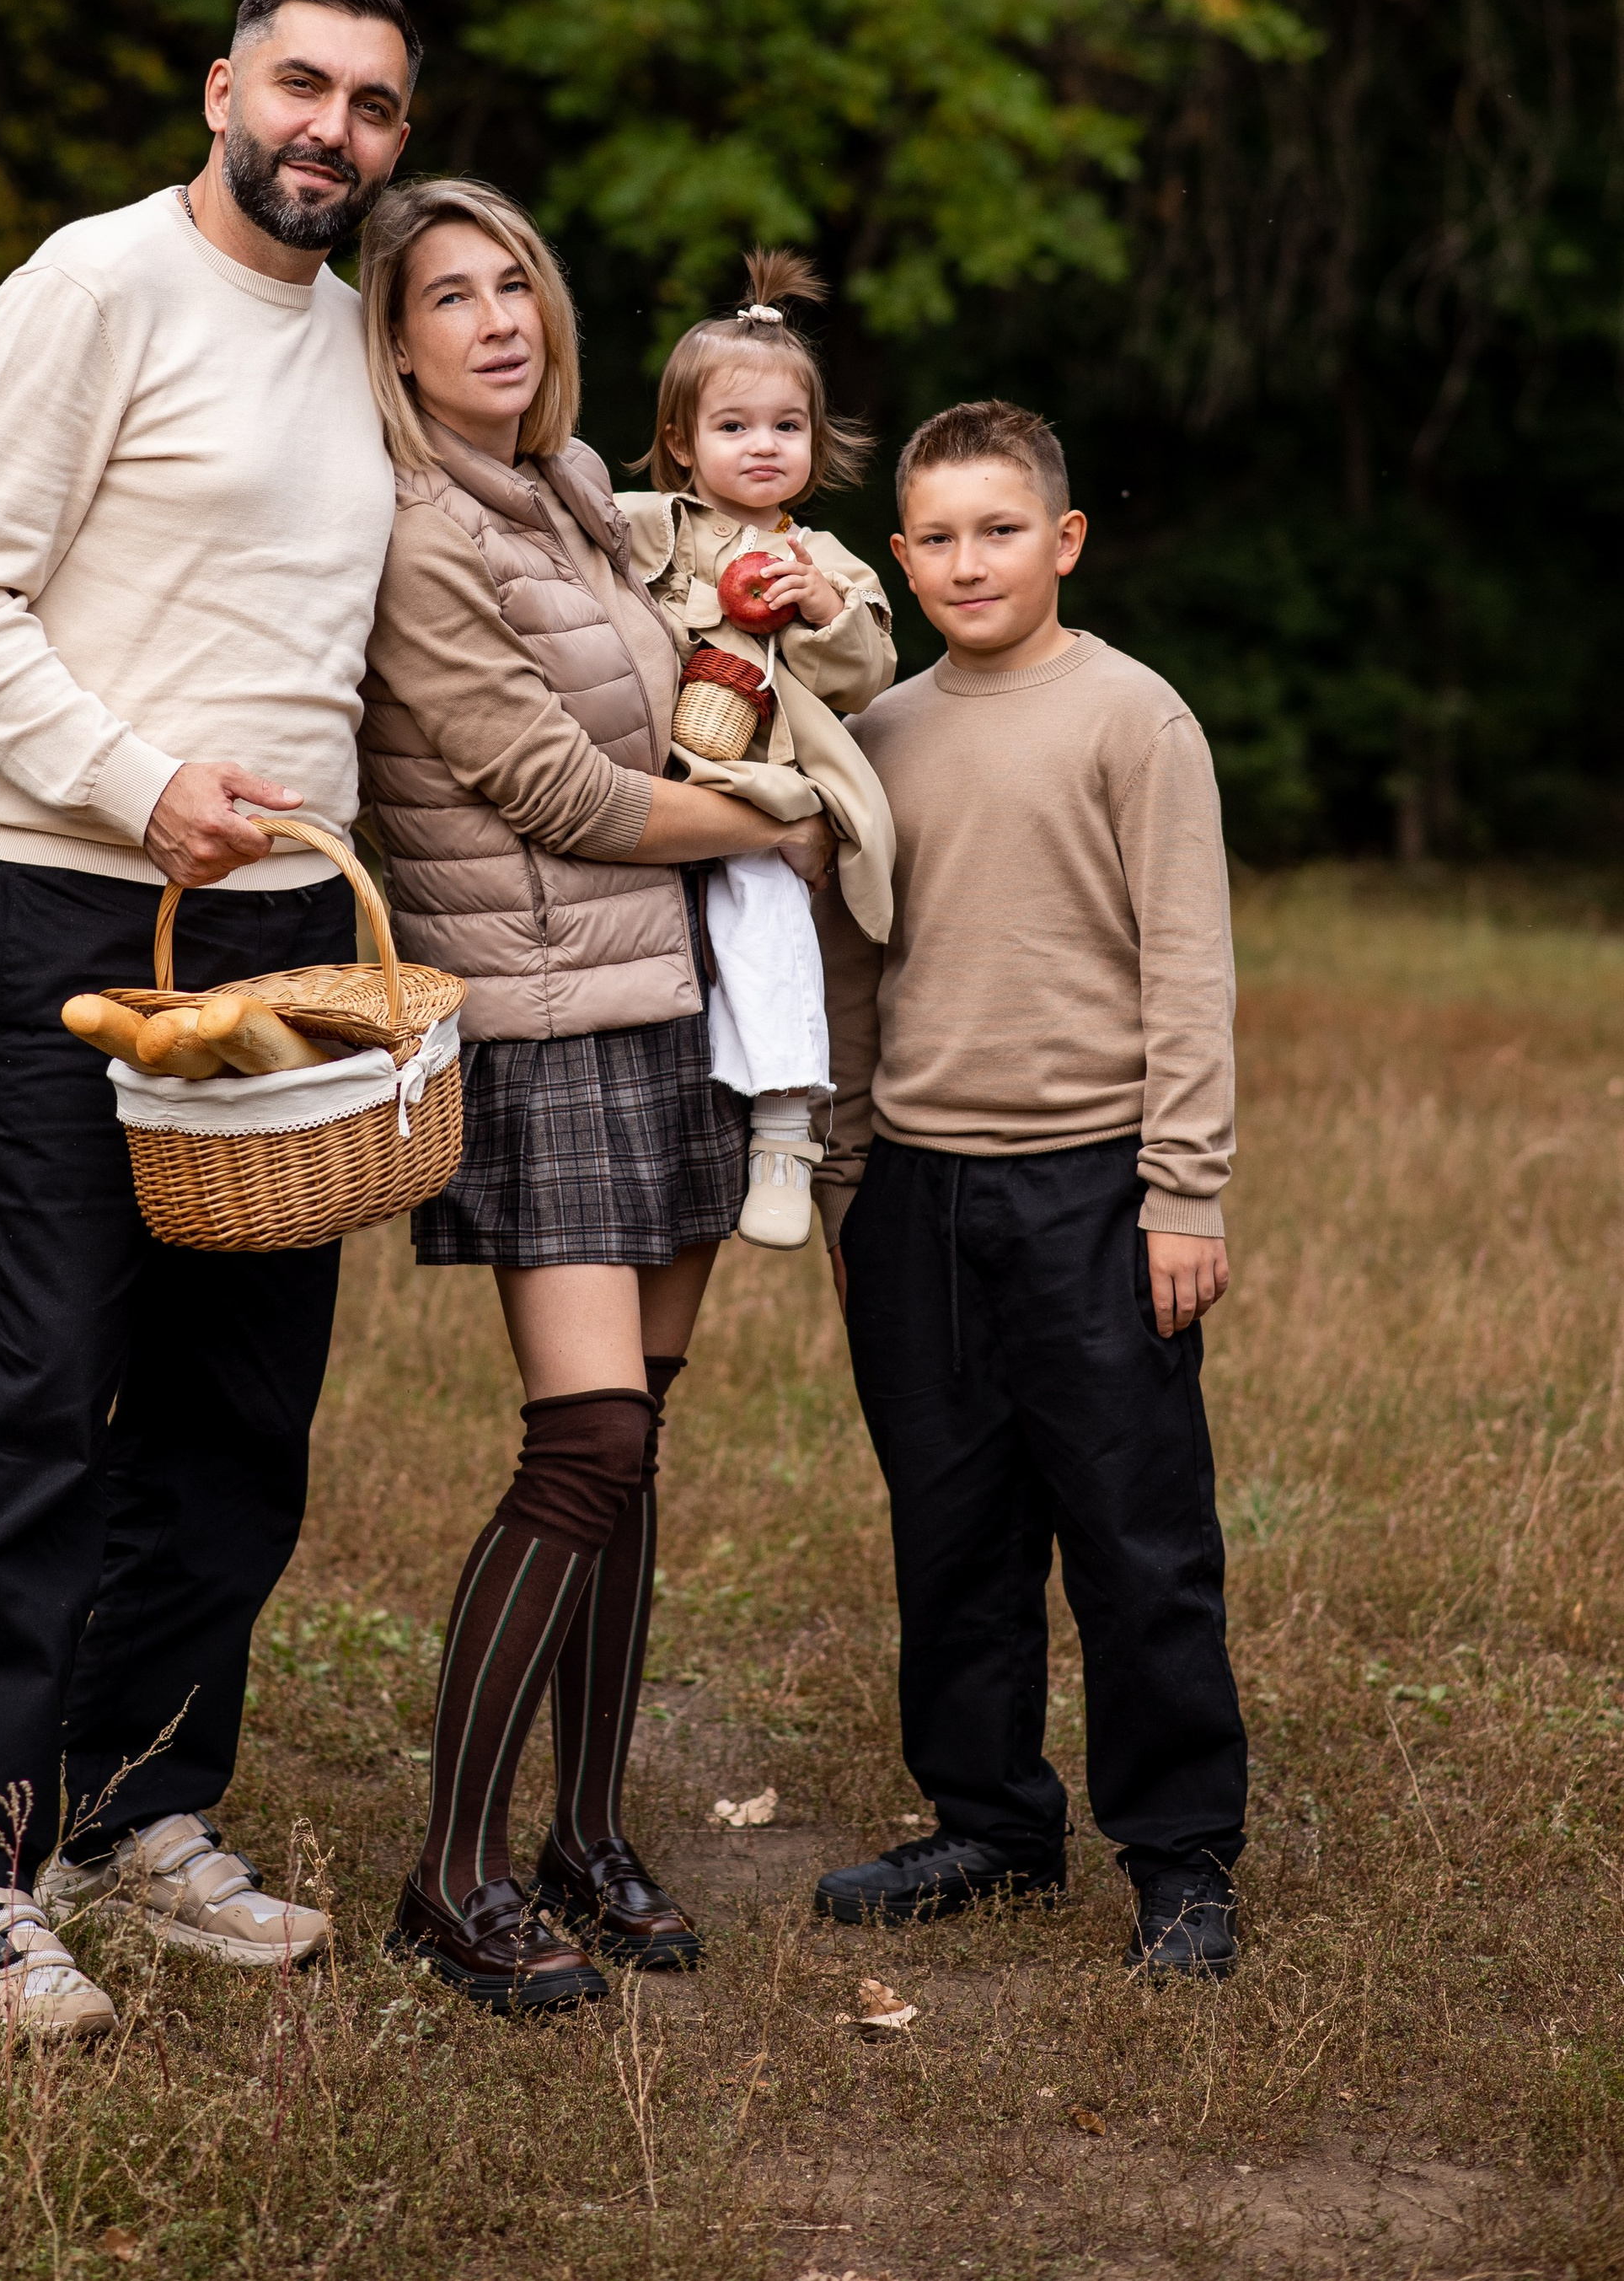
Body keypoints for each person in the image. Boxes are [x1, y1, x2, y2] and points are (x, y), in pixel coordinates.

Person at [0, 0, 416, 2037]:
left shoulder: (349, 338)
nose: (332, 128)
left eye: (371, 104)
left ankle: (134, 1808)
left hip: (292, 939)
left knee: (237, 1403)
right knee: (50, 1384)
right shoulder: (87, 287)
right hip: (84, 909)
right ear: (220, 86)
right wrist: (134, 778)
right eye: (301, 82)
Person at [355, 177, 832, 2013]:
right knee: (586, 1447)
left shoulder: (572, 500)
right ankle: (453, 1868)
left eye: (516, 290)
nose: (493, 321)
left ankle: (587, 1833)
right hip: (539, 1023)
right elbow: (557, 788)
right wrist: (782, 820)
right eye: (448, 298)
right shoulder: (417, 532)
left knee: (639, 1447)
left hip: (663, 1004)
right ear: (392, 341)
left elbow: (724, 651)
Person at [810, 400, 1247, 1981]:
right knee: (953, 1530)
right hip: (918, 1193)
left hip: (1093, 1190)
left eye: (1001, 529)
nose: (968, 559)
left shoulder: (1134, 719)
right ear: (899, 557)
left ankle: (1181, 1854)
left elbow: (1188, 969)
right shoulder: (878, 738)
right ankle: (991, 1822)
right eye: (935, 534)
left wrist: (1183, 1189)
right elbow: (852, 976)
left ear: (1064, 540)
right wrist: (851, 1181)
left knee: (1137, 1535)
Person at [617, 250, 898, 1249]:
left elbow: (867, 671)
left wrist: (820, 611)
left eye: (788, 427)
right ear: (681, 445)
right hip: (651, 776)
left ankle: (783, 1128)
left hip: (762, 789)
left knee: (769, 918)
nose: (763, 446)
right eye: (732, 427)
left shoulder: (823, 560)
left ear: (817, 445)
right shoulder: (649, 528)